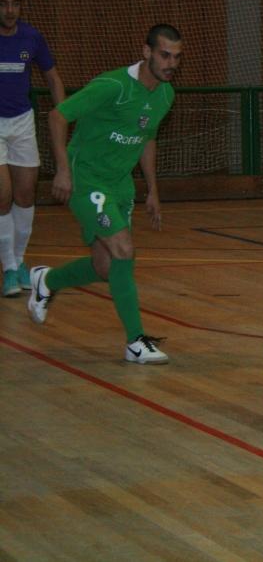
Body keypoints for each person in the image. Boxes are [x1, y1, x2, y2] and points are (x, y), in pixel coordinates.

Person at [28, 24, 184, 364]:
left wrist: (152, 190)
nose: (171, 63)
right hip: (86, 180)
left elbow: (147, 139)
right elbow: (57, 116)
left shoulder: (165, 94)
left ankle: (47, 280)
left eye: (176, 56)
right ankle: (135, 342)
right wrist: (63, 170)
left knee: (104, 266)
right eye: (164, 55)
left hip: (120, 184)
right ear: (146, 52)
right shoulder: (112, 85)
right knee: (123, 249)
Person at [0, 0, 66, 297]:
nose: (9, 10)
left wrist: (64, 112)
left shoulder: (31, 37)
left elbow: (52, 77)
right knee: (2, 195)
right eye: (3, 4)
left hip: (23, 122)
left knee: (25, 196)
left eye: (15, 3)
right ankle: (9, 269)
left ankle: (20, 262)